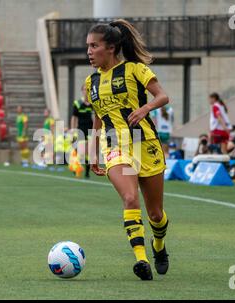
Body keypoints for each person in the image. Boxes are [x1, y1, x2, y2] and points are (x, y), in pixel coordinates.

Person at [85, 19, 170, 280]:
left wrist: (145, 108)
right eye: (87, 46)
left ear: (110, 47)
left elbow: (162, 96)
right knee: (130, 199)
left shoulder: (135, 69)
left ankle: (159, 245)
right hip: (115, 146)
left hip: (145, 144)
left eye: (94, 46)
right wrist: (93, 151)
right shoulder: (91, 83)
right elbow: (98, 119)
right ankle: (141, 260)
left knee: (155, 213)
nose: (89, 51)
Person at [71, 85, 93, 178]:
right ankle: (76, 168)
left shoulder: (93, 103)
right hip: (80, 129)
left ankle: (87, 172)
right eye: (84, 89)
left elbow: (96, 117)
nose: (86, 91)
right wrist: (72, 129)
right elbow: (74, 117)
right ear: (82, 91)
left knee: (88, 151)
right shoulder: (77, 103)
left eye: (87, 90)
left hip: (90, 130)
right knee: (80, 151)